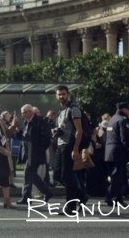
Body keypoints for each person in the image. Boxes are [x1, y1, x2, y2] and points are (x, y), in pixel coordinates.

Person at [53, 84, 86, 215]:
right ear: (56, 96)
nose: (61, 96)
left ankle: (70, 207)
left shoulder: (74, 109)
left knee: (66, 176)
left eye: (63, 94)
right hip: (60, 145)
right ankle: (81, 196)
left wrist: (76, 148)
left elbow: (79, 130)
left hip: (69, 145)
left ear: (68, 95)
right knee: (57, 175)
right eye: (59, 94)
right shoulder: (61, 110)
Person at [16, 104, 53, 204]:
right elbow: (22, 137)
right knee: (33, 176)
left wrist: (40, 149)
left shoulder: (40, 121)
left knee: (28, 175)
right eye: (22, 113)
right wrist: (18, 132)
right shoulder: (25, 122)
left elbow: (47, 138)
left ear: (30, 112)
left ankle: (26, 198)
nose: (23, 115)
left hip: (35, 153)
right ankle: (47, 192)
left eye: (24, 112)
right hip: (28, 153)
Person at [104, 101, 129, 206]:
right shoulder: (122, 120)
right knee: (117, 176)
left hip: (110, 152)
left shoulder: (112, 120)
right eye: (128, 109)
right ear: (123, 109)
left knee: (117, 176)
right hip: (119, 152)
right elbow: (125, 138)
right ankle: (110, 197)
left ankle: (118, 199)